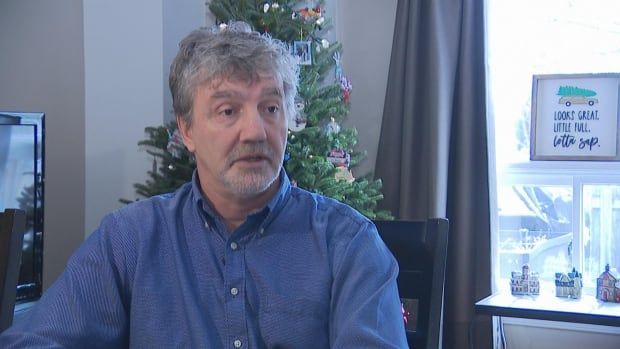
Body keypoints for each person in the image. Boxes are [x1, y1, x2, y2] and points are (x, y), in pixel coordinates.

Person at [0, 22, 407, 348]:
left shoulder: (349, 244)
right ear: (188, 130)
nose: (255, 131)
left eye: (270, 108)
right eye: (228, 110)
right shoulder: (129, 241)